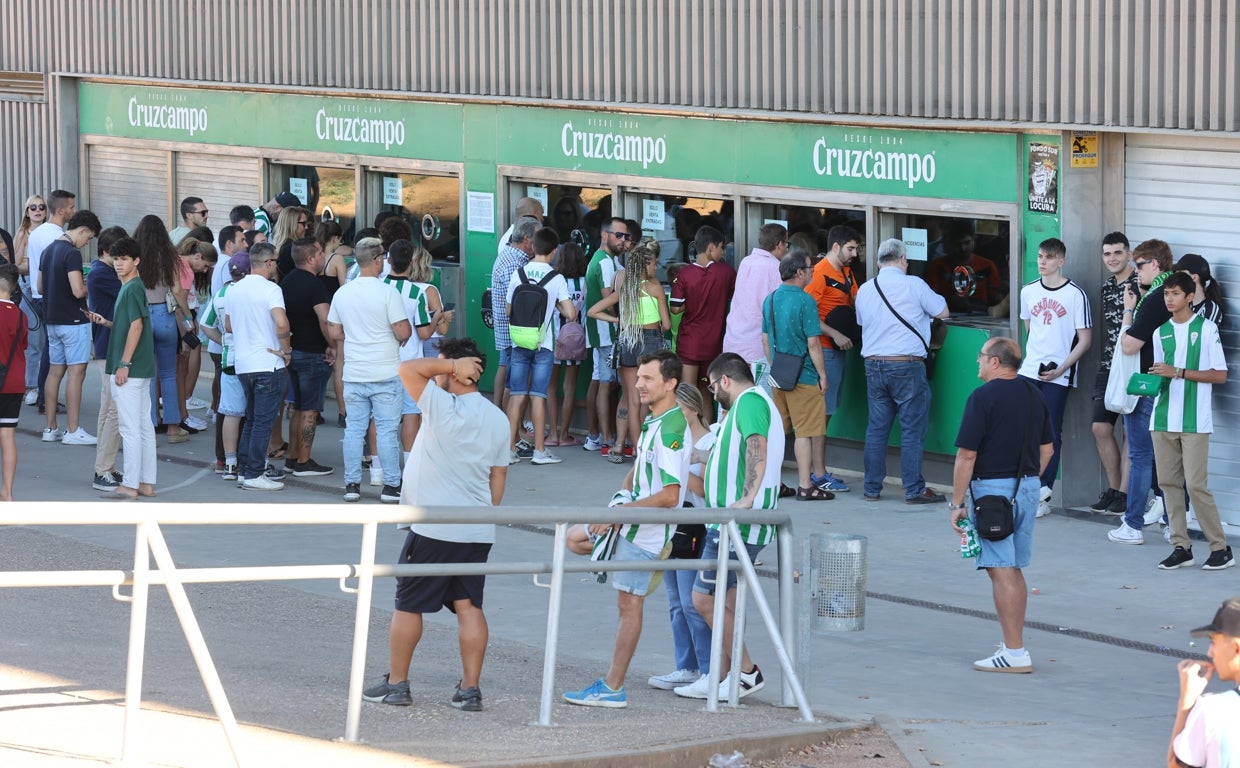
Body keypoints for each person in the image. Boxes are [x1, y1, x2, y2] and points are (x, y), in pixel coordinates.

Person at [362, 338, 508, 711]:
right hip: (476, 528)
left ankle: (397, 684)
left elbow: (407, 368)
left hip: (433, 527)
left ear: (457, 370)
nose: (436, 372)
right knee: (469, 605)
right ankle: (469, 690)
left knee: (408, 604)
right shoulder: (498, 417)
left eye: (442, 365)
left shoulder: (441, 404)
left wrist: (450, 366)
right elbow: (498, 480)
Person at [563, 350, 688, 708]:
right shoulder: (654, 420)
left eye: (648, 378)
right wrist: (619, 500)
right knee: (574, 538)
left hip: (647, 534)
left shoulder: (671, 428)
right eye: (639, 377)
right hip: (633, 525)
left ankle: (613, 687)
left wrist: (618, 514)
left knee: (629, 605)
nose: (639, 384)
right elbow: (640, 471)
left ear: (670, 383)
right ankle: (612, 686)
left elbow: (670, 495)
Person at [675, 353, 784, 701]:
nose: (712, 393)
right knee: (727, 603)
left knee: (702, 598)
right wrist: (697, 457)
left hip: (736, 525)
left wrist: (748, 497)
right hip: (730, 523)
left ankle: (746, 672)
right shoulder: (744, 407)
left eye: (712, 385)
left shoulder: (749, 402)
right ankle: (725, 676)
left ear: (725, 380)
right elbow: (734, 454)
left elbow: (756, 446)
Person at [948, 337, 1053, 673]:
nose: (977, 361)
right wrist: (1026, 482)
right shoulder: (1034, 394)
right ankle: (1013, 646)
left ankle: (1015, 652)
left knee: (1001, 569)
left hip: (992, 492)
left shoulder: (982, 397)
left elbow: (967, 455)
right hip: (1027, 486)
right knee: (1013, 568)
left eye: (981, 356)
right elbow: (1047, 449)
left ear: (995, 361)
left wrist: (956, 503)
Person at [1145, 272, 1232, 571]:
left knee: (1195, 486)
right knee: (1168, 485)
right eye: (1166, 294)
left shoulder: (1206, 329)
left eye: (1175, 294)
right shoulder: (1160, 332)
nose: (1169, 299)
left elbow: (1219, 375)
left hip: (1195, 421)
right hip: (1162, 418)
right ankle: (1180, 547)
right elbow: (1161, 374)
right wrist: (1147, 382)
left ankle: (1221, 548)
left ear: (1190, 296)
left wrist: (1178, 372)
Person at [854, 238, 949, 504]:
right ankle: (914, 488)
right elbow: (943, 311)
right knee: (912, 430)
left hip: (873, 364)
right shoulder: (914, 285)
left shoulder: (865, 289)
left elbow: (862, 322)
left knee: (877, 429)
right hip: (906, 364)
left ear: (878, 263)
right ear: (904, 260)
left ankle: (871, 487)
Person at [326, 237, 411, 503]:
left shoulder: (343, 293)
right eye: (383, 257)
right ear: (376, 260)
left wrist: (354, 336)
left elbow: (334, 331)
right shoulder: (388, 293)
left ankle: (352, 485)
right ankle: (391, 486)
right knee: (386, 431)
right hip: (385, 372)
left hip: (354, 373)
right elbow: (403, 331)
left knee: (354, 430)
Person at [1016, 237, 1092, 517]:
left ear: (1061, 261)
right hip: (1029, 371)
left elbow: (1085, 340)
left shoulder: (1075, 295)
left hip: (1059, 376)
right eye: (1040, 256)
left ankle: (1043, 491)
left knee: (1049, 432)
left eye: (1048, 257)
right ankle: (1025, 486)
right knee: (1024, 430)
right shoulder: (1028, 291)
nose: (1042, 262)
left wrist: (1061, 368)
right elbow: (1030, 329)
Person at [1109, 239, 1175, 545]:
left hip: (1147, 386)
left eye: (1140, 264)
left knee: (1140, 457)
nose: (1136, 271)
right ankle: (1173, 522)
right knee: (1167, 457)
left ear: (1156, 264)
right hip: (1168, 385)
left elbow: (1129, 344)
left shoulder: (1156, 299)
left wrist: (1128, 310)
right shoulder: (1173, 295)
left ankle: (1132, 524)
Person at [84, 237, 158, 500]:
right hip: (140, 368)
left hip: (129, 368)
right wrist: (107, 323)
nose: (118, 263)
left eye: (124, 259)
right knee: (143, 426)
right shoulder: (133, 287)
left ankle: (130, 484)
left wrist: (124, 364)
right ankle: (146, 483)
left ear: (136, 261)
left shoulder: (131, 289)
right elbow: (131, 325)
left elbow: (136, 326)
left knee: (130, 428)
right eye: (115, 259)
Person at [588, 238, 670, 464]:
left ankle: (635, 450)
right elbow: (666, 324)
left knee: (632, 401)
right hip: (650, 342)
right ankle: (641, 448)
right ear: (645, 265)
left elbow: (593, 311)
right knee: (647, 401)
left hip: (627, 341)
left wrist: (616, 319)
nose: (656, 268)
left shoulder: (624, 289)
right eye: (653, 264)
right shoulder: (655, 287)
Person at [763, 250, 832, 501]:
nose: (813, 271)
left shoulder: (770, 299)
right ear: (799, 272)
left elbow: (765, 339)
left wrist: (776, 364)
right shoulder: (805, 301)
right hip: (804, 376)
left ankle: (774, 482)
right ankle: (805, 485)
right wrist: (823, 375)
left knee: (778, 432)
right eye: (810, 267)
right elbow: (813, 343)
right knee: (804, 432)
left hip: (779, 374)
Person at [505, 227, 575, 465]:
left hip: (518, 341)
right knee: (538, 395)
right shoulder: (556, 278)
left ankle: (509, 450)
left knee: (516, 394)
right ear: (554, 251)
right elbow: (571, 314)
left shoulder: (518, 274)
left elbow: (508, 310)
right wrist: (555, 304)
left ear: (533, 247)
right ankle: (539, 451)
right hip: (543, 344)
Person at [224, 242, 290, 491]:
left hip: (243, 363)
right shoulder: (271, 289)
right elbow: (281, 323)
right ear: (269, 263)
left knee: (251, 419)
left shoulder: (234, 289)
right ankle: (253, 473)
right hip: (267, 363)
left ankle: (245, 470)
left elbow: (228, 325)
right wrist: (286, 350)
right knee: (262, 421)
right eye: (276, 261)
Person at [804, 224, 862, 494]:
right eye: (850, 248)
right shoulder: (819, 274)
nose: (855, 254)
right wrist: (835, 334)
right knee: (821, 416)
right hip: (825, 351)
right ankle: (818, 474)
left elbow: (858, 301)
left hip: (837, 351)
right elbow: (808, 315)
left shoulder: (847, 272)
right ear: (835, 246)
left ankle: (817, 472)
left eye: (857, 249)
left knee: (825, 414)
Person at [383, 239, 453, 456]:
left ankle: (377, 464)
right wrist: (440, 318)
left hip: (382, 359)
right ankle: (411, 459)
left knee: (381, 416)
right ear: (413, 263)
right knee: (412, 411)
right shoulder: (422, 292)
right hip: (412, 360)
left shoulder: (380, 286)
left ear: (388, 260)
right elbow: (433, 331)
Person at [39, 209, 101, 446]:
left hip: (52, 319)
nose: (87, 242)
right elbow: (77, 291)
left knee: (55, 372)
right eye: (89, 237)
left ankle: (50, 427)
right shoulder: (71, 253)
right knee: (77, 372)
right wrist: (86, 285)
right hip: (74, 321)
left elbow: (40, 286)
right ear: (83, 230)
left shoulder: (48, 250)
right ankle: (73, 430)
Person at [279, 236, 335, 477]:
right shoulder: (316, 285)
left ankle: (293, 457)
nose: (324, 256)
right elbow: (325, 319)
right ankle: (304, 461)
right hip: (313, 353)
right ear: (311, 258)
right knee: (310, 410)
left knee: (298, 407)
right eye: (321, 253)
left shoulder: (287, 281)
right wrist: (333, 345)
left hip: (292, 351)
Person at [133, 215, 192, 444]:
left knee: (148, 375)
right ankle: (173, 428)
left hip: (142, 315)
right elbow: (177, 291)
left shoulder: (133, 256)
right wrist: (187, 316)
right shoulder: (170, 257)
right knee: (168, 374)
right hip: (165, 315)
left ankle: (149, 425)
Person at [1090, 232, 1136, 516]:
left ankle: (1125, 494)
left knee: (1130, 431)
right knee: (1100, 428)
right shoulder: (1107, 286)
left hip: (1133, 366)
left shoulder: (1140, 284)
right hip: (1108, 365)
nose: (1112, 258)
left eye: (1118, 253)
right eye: (1107, 254)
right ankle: (1113, 489)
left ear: (1129, 254)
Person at [1167, 597, 1240, 768]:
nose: (1210, 653)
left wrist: (1186, 702)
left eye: (1214, 642)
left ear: (1236, 648)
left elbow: (1177, 765)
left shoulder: (1215, 709)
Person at [669, 225, 736, 408]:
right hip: (713, 344)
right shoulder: (727, 272)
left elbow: (675, 308)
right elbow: (735, 298)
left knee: (687, 394)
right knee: (706, 392)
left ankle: (688, 428)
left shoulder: (684, 274)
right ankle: (706, 428)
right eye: (721, 247)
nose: (723, 252)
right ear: (711, 247)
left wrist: (692, 302)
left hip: (689, 342)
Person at [199, 251, 249, 481]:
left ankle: (226, 462)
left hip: (229, 359)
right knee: (253, 414)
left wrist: (224, 342)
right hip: (253, 361)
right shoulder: (252, 292)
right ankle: (250, 462)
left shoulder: (220, 294)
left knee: (228, 411)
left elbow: (205, 324)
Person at [582, 217, 630, 453]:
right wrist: (620, 320)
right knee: (611, 384)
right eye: (618, 235)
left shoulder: (605, 259)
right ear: (604, 235)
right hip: (607, 331)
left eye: (626, 236)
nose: (623, 240)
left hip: (602, 331)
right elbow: (610, 300)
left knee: (604, 382)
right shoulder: (604, 262)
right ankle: (609, 438)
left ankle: (603, 437)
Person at [27, 189, 77, 415]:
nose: (74, 211)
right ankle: (46, 399)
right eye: (72, 207)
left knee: (51, 346)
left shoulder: (38, 232)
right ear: (61, 210)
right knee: (53, 349)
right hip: (50, 296)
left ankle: (44, 397)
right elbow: (54, 269)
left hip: (40, 295)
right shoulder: (55, 236)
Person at [722, 223, 786, 388]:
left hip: (733, 342)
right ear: (779, 244)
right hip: (757, 349)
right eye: (786, 244)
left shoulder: (746, 262)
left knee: (732, 396)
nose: (787, 248)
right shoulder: (775, 268)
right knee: (760, 398)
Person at [87, 226, 127, 490]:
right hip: (109, 346)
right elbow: (131, 289)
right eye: (119, 255)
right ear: (106, 251)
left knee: (108, 410)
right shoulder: (102, 274)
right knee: (113, 411)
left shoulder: (103, 271)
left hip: (108, 346)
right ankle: (103, 470)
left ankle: (105, 467)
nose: (123, 260)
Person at [489, 216, 538, 409]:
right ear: (527, 239)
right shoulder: (514, 264)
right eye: (537, 238)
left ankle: (506, 420)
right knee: (514, 387)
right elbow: (520, 303)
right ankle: (510, 424)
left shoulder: (512, 256)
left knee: (511, 381)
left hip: (511, 334)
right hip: (515, 335)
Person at [546, 241, 587, 447]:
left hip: (555, 339)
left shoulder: (555, 280)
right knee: (569, 388)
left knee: (551, 387)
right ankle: (565, 435)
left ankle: (553, 434)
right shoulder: (585, 283)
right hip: (576, 340)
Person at [13, 194, 47, 406]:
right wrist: (35, 265)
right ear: (27, 211)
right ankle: (31, 386)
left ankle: (41, 385)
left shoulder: (50, 231)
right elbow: (15, 265)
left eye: (41, 207)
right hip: (26, 287)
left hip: (47, 289)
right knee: (34, 339)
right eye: (32, 207)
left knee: (46, 339)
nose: (37, 210)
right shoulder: (22, 233)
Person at [0, 263, 27, 500]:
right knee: (8, 437)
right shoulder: (21, 316)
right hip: (14, 381)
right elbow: (23, 346)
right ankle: (7, 492)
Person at [1175, 253, 1225, 326]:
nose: (1176, 278)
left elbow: (1203, 332)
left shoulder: (1210, 308)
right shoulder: (1182, 304)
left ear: (1194, 277)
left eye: (1180, 274)